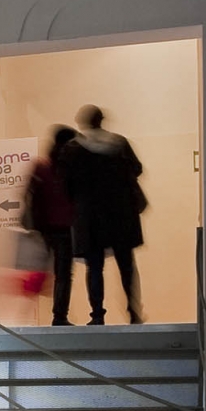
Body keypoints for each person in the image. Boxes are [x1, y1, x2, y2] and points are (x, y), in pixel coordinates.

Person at [56, 105, 146, 323]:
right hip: (121, 212)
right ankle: (133, 310)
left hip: (89, 216)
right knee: (126, 264)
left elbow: (65, 183)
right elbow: (137, 168)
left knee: (95, 266)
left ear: (83, 123)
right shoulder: (120, 143)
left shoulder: (73, 149)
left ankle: (97, 314)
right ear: (101, 120)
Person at [22, 125, 79, 322]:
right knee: (63, 274)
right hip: (65, 228)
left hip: (44, 228)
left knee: (42, 269)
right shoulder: (70, 171)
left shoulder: (41, 167)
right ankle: (59, 316)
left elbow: (28, 194)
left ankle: (27, 313)